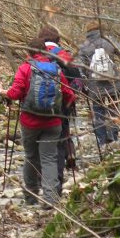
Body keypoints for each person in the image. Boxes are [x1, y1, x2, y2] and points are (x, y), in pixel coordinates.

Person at [0, 38, 76, 209]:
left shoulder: (25, 68)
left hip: (30, 121)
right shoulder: (56, 69)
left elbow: (15, 93)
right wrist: (61, 111)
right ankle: (50, 199)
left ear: (28, 52)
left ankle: (31, 196)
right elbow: (70, 95)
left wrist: (1, 91)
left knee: (31, 157)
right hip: (53, 122)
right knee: (49, 159)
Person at [75, 21, 120, 147]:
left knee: (98, 112)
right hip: (113, 82)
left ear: (87, 32)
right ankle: (114, 138)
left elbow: (80, 68)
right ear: (101, 29)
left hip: (95, 86)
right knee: (113, 110)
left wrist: (85, 84)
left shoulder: (84, 46)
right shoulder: (109, 40)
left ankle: (102, 142)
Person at [38, 25, 78, 191]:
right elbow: (77, 80)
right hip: (62, 106)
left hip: (37, 108)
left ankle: (42, 181)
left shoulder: (35, 54)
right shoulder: (64, 55)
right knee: (60, 140)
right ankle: (57, 183)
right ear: (57, 40)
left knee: (41, 143)